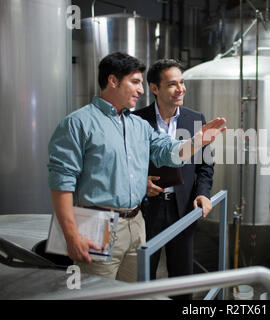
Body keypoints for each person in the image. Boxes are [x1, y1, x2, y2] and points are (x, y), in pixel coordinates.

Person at [47, 52, 225, 283]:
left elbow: (168, 153)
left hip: (137, 222)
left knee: (135, 293)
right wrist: (71, 235)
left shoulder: (138, 125)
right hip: (98, 224)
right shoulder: (78, 123)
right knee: (99, 294)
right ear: (113, 81)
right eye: (135, 82)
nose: (141, 90)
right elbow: (62, 183)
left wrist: (197, 141)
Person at [133, 59, 213, 299]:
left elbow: (206, 165)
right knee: (143, 277)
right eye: (172, 84)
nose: (180, 89)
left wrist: (203, 193)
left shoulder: (195, 118)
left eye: (182, 82)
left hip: (183, 209)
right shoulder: (137, 120)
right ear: (154, 88)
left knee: (181, 280)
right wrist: (140, 184)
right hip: (147, 210)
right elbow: (128, 165)